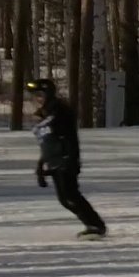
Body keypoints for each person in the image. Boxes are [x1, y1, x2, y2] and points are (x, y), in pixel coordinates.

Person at [27, 78, 106, 239]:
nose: (37, 99)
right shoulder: (44, 114)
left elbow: (68, 137)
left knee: (71, 196)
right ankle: (93, 224)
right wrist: (41, 166)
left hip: (65, 159)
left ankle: (95, 225)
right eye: (34, 96)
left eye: (40, 95)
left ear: (49, 95)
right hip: (54, 161)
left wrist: (70, 159)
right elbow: (47, 142)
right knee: (65, 199)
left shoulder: (60, 111)